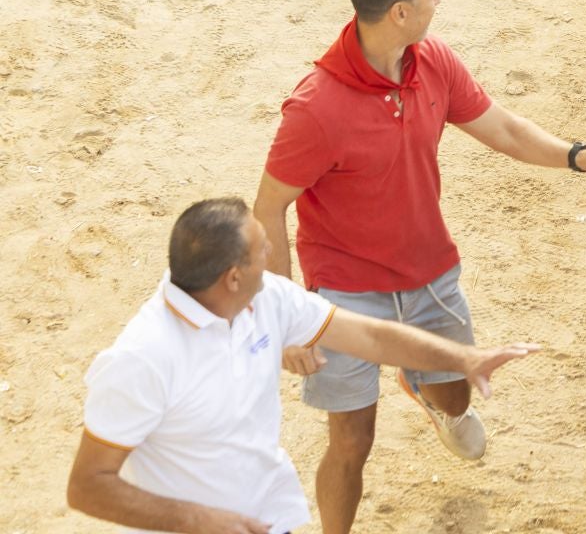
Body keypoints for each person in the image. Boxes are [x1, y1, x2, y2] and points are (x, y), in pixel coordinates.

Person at [251, 0, 586, 534]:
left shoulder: (432, 60)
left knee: (456, 400)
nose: (439, 1)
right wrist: (284, 321)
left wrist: (579, 156)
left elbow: (505, 130)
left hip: (429, 273)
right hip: (343, 295)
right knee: (352, 439)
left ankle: (429, 394)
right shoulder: (315, 109)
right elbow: (268, 209)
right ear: (399, 14)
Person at [67, 198, 537, 534]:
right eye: (262, 251)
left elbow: (368, 335)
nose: (273, 255)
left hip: (266, 517)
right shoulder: (142, 359)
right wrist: (202, 522)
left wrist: (462, 358)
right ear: (233, 278)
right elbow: (88, 487)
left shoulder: (265, 298)